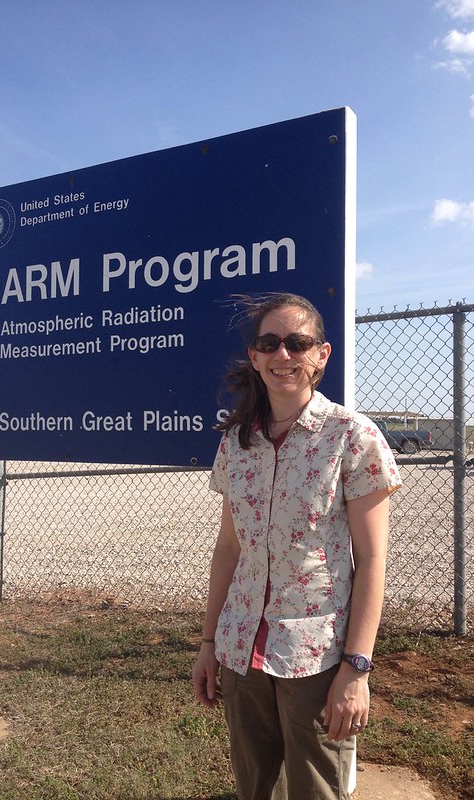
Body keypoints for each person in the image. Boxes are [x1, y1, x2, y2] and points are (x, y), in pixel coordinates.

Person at [192, 292, 401, 800]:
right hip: (242, 646)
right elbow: (228, 547)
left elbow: (372, 560)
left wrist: (357, 668)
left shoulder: (353, 438)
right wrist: (207, 643)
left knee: (315, 790)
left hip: (316, 655)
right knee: (253, 788)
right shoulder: (237, 441)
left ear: (321, 354)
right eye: (269, 343)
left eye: (297, 342)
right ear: (256, 357)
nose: (283, 355)